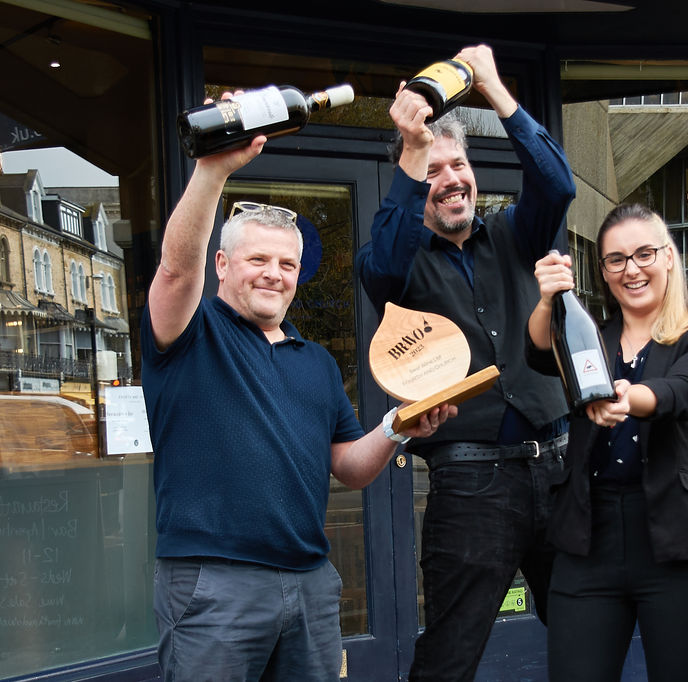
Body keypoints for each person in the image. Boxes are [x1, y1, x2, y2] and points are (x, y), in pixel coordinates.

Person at [142, 106, 454, 681]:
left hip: (310, 585)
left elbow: (350, 468)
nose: (273, 273)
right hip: (215, 585)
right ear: (222, 265)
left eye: (287, 264)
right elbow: (172, 273)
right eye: (257, 259)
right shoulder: (190, 334)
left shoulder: (314, 362)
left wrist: (395, 427)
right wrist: (212, 171)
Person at [355, 44, 575, 681]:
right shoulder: (395, 265)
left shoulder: (516, 233)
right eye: (434, 171)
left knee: (587, 632)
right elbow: (388, 248)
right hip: (471, 486)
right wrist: (412, 148)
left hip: (559, 472)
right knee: (449, 658)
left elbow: (557, 182)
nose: (449, 178)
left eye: (458, 165)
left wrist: (496, 90)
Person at [526, 204, 688, 682]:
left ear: (669, 258)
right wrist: (547, 299)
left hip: (676, 544)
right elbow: (538, 355)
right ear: (603, 271)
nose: (631, 269)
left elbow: (681, 391)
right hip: (586, 541)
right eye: (615, 260)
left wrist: (630, 397)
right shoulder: (590, 334)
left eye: (644, 254)